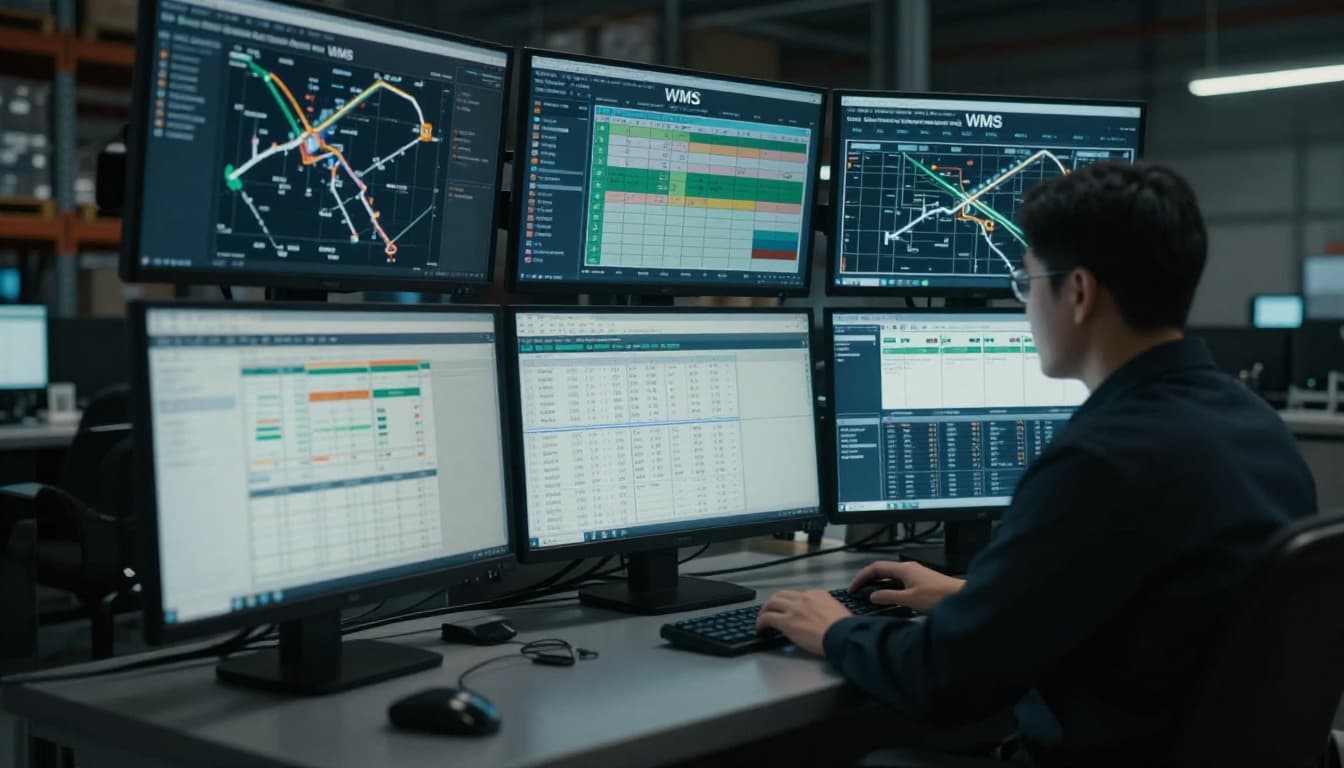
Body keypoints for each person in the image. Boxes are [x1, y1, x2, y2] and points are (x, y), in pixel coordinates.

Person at [756, 161, 1317, 766]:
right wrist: (977, 599)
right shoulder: (1254, 423)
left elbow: (944, 682)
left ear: (1078, 292)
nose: (1025, 308)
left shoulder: (1100, 459)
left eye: (1026, 284)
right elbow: (1158, 607)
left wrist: (836, 628)